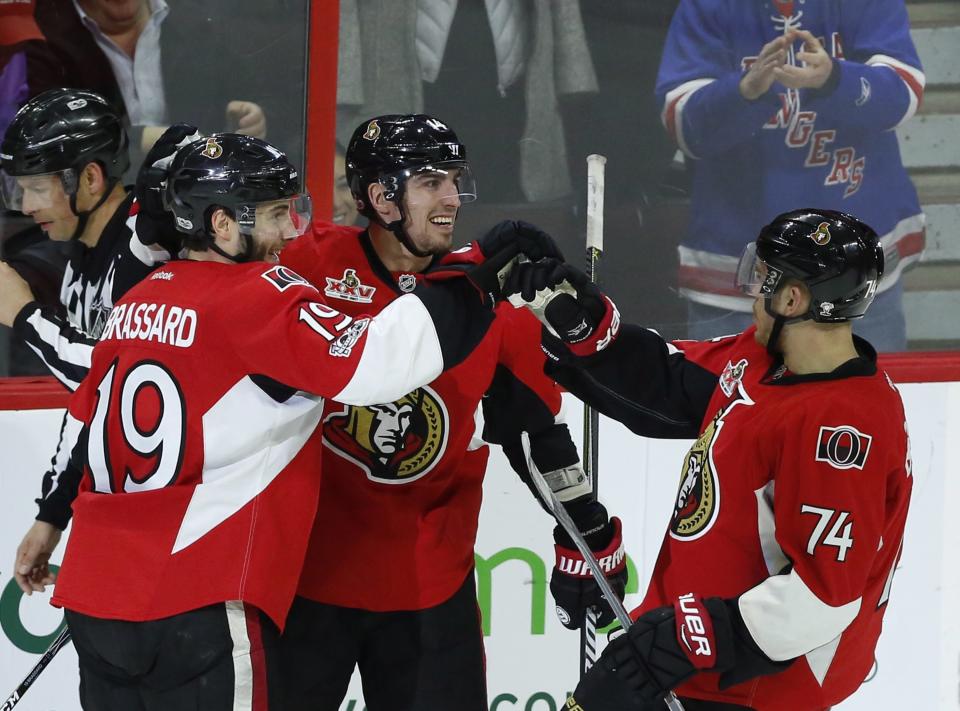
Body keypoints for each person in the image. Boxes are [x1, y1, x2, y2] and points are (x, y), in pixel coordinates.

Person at [36, 131, 524, 710]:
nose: (291, 231)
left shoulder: (136, 302)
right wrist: (478, 273)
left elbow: (86, 415)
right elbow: (379, 362)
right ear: (220, 225)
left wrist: (49, 518)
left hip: (96, 595)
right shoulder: (257, 294)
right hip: (198, 597)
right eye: (273, 215)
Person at [275, 113, 627, 711]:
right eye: (432, 182)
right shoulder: (310, 266)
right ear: (382, 196)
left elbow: (534, 434)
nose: (452, 199)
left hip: (428, 593)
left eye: (454, 180)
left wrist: (588, 532)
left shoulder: (484, 294)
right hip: (304, 582)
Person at [505, 209, 912, 710]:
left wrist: (686, 638)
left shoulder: (844, 430)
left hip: (754, 685)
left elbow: (824, 598)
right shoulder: (765, 362)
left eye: (764, 279)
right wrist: (579, 327)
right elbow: (668, 383)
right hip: (687, 655)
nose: (753, 292)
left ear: (793, 298)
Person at [656, 0, 925, 351]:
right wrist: (743, 91)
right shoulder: (707, 6)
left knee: (863, 402)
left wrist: (835, 78)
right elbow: (683, 125)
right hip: (735, 270)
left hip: (855, 269)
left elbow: (903, 94)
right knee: (726, 404)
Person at [0, 88, 184, 595]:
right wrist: (52, 516)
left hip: (187, 524)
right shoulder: (78, 266)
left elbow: (118, 380)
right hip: (135, 519)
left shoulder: (151, 242)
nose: (25, 206)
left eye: (37, 188)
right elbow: (88, 406)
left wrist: (23, 314)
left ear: (90, 178)